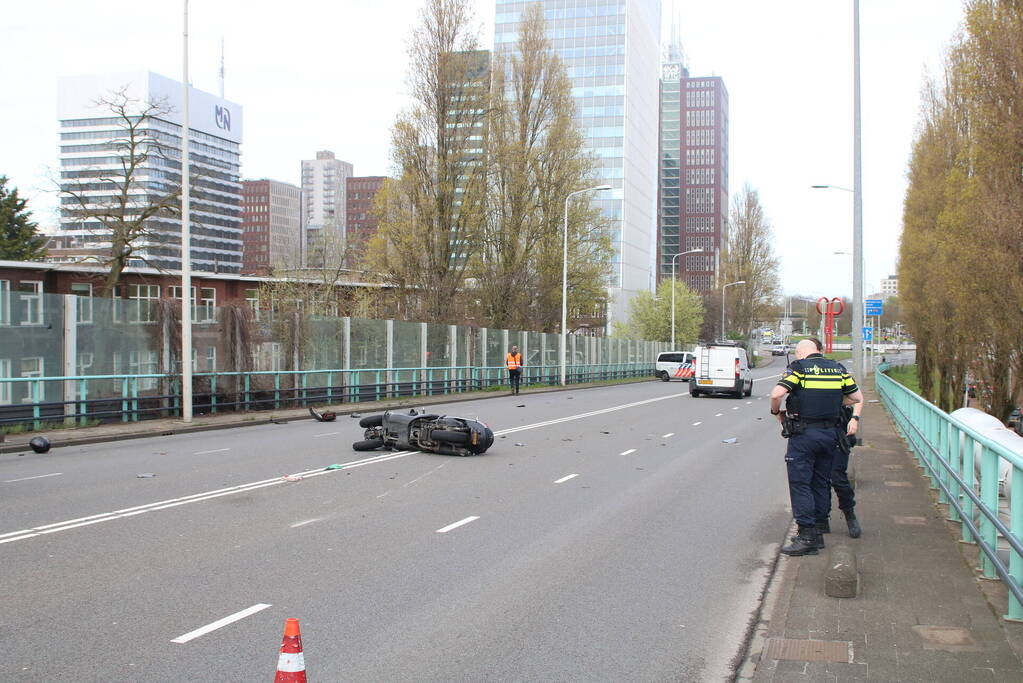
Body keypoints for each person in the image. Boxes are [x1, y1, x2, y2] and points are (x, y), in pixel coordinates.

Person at [770, 338, 863, 556]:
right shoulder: (837, 369)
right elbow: (856, 397)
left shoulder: (799, 369)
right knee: (821, 481)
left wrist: (776, 412)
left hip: (804, 435)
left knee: (801, 483)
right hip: (829, 434)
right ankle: (820, 529)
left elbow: (776, 394)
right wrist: (828, 402)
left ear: (800, 353)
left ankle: (807, 536)